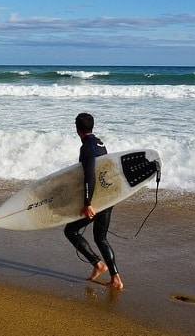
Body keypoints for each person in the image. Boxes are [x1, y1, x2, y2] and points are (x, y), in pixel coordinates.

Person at [64, 113, 124, 290]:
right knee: (100, 238)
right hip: (108, 197)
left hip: (97, 201)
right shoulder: (99, 143)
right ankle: (116, 279)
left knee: (71, 230)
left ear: (77, 130)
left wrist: (88, 202)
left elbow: (90, 176)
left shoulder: (87, 148)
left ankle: (98, 265)